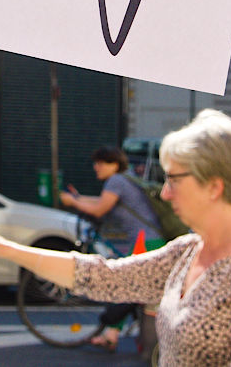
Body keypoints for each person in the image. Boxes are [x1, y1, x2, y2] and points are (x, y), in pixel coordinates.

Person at [0, 109, 231, 366]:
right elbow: (105, 277)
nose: (164, 193)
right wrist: (7, 250)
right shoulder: (189, 251)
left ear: (214, 186)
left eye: (174, 180)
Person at [58, 145, 163, 351]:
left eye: (100, 163)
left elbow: (99, 209)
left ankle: (120, 332)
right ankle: (111, 334)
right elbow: (101, 201)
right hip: (147, 240)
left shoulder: (116, 181)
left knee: (125, 286)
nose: (95, 167)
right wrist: (78, 199)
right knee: (130, 288)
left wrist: (73, 201)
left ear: (113, 164)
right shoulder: (123, 180)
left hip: (146, 242)